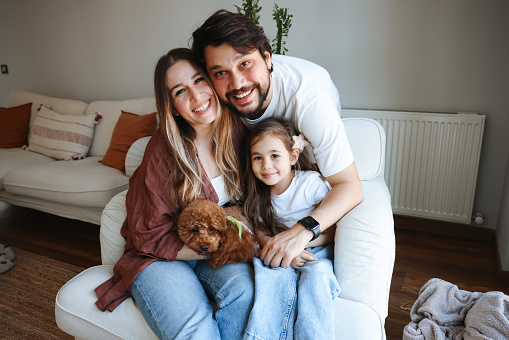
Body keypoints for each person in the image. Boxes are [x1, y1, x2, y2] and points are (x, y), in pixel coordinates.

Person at [94, 48, 254, 340]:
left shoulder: (236, 131)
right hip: (159, 256)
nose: (196, 97)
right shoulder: (162, 150)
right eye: (181, 91)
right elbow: (148, 235)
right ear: (171, 105)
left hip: (212, 249)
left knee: (245, 292)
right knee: (195, 331)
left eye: (199, 80)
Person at [191, 9, 362, 270]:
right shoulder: (215, 100)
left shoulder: (309, 98)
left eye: (245, 63)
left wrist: (302, 233)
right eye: (220, 73)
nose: (237, 83)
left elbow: (349, 186)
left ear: (268, 59)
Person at [244, 117, 340, 339]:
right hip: (281, 252)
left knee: (316, 278)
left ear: (293, 156)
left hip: (317, 248)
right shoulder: (259, 195)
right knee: (268, 277)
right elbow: (261, 233)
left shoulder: (310, 183)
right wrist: (278, 249)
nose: (266, 165)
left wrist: (298, 246)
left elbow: (333, 228)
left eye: (274, 156)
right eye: (258, 158)